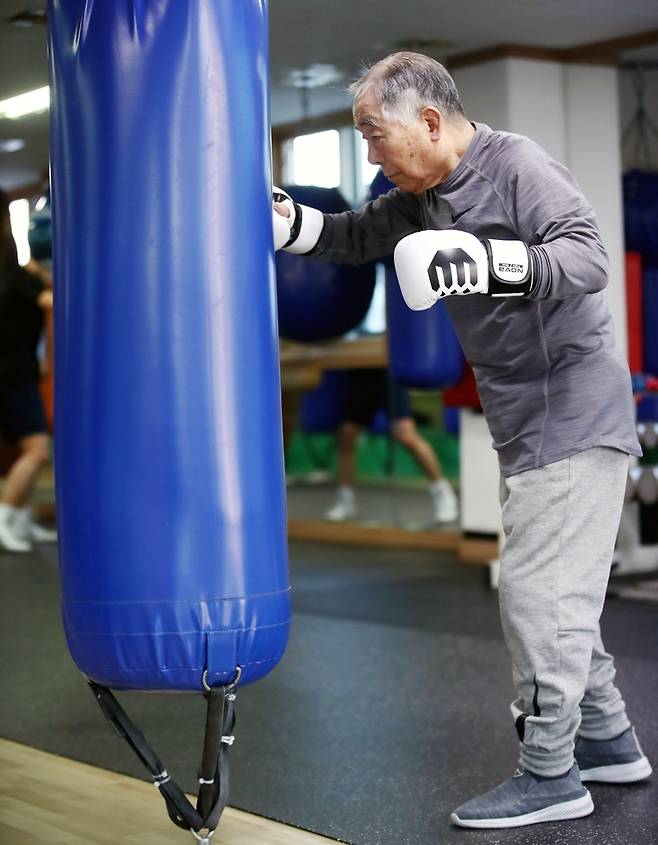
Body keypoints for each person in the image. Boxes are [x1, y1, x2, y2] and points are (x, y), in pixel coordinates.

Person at [273, 52, 651, 829]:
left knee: (535, 592)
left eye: (376, 137)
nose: (372, 156)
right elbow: (351, 237)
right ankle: (609, 741)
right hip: (524, 419)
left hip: (575, 408)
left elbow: (587, 257)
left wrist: (489, 261)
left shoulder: (517, 165)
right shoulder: (418, 195)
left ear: (431, 121)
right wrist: (287, 224)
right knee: (559, 592)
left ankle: (551, 774)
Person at [325, 366, 458, 523]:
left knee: (405, 434)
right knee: (347, 434)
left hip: (388, 374)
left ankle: (442, 492)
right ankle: (345, 499)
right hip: (358, 375)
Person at [0, 190, 56, 552]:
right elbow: (55, 300)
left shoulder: (12, 279)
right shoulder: (23, 282)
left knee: (34, 448)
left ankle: (20, 519)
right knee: (36, 450)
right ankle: (6, 516)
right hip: (14, 376)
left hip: (15, 374)